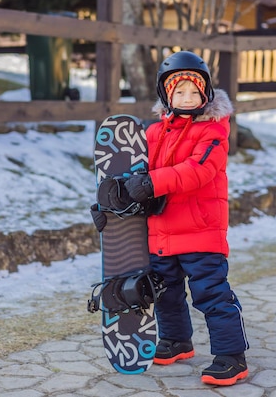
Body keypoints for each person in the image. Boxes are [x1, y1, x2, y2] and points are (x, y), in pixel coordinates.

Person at [92, 50, 249, 386]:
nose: (188, 98)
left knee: (211, 293)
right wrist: (109, 208)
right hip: (161, 233)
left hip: (200, 232)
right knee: (165, 292)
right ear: (166, 94)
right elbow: (133, 176)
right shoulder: (152, 134)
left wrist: (152, 182)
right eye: (180, 92)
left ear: (206, 94)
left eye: (195, 92)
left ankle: (231, 356)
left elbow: (199, 171)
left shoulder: (214, 130)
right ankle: (177, 341)